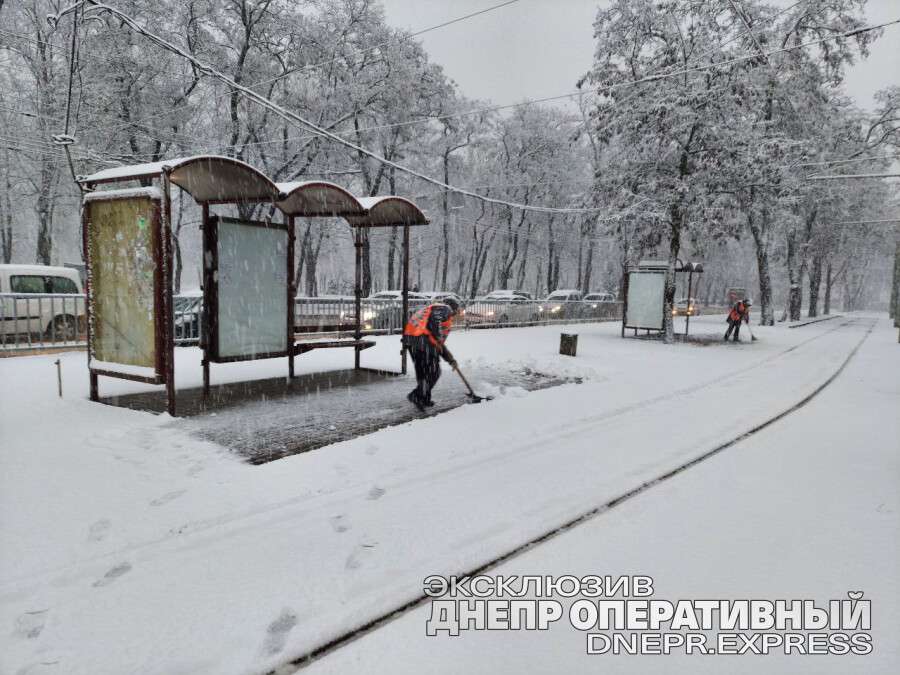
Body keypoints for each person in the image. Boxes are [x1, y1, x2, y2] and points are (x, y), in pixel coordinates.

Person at [402, 297, 461, 411]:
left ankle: (424, 398)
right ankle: (416, 395)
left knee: (423, 372)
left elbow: (439, 345)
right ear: (453, 308)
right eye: (456, 310)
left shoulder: (429, 311)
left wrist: (451, 360)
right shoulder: (444, 308)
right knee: (434, 372)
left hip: (412, 341)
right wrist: (437, 334)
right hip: (423, 341)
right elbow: (436, 323)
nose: (455, 314)